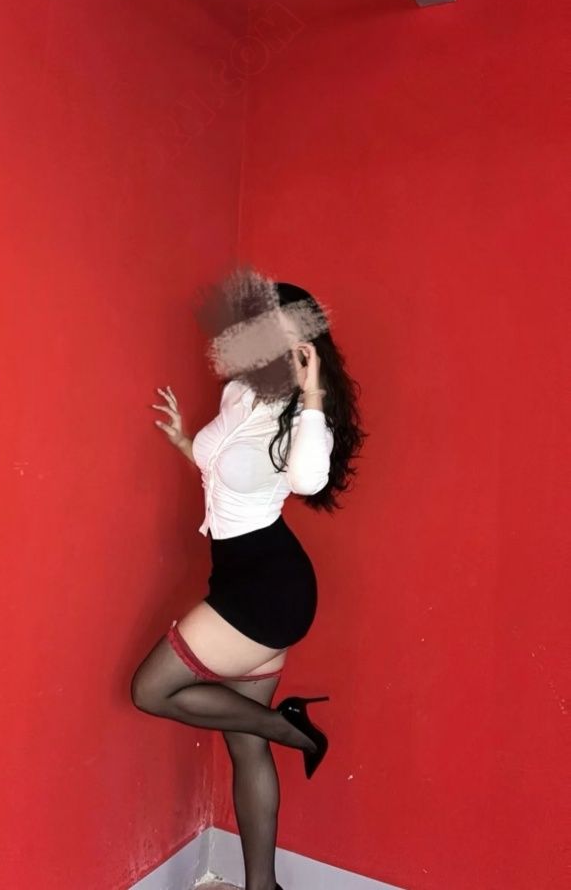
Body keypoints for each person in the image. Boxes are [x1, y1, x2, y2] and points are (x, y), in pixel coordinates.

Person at [130, 281, 366, 890]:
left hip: (268, 590)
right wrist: (185, 441)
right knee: (244, 741)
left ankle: (290, 727)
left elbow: (308, 481)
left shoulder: (304, 419)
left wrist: (311, 393)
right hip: (240, 575)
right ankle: (264, 887)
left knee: (150, 691)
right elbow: (225, 467)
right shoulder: (240, 390)